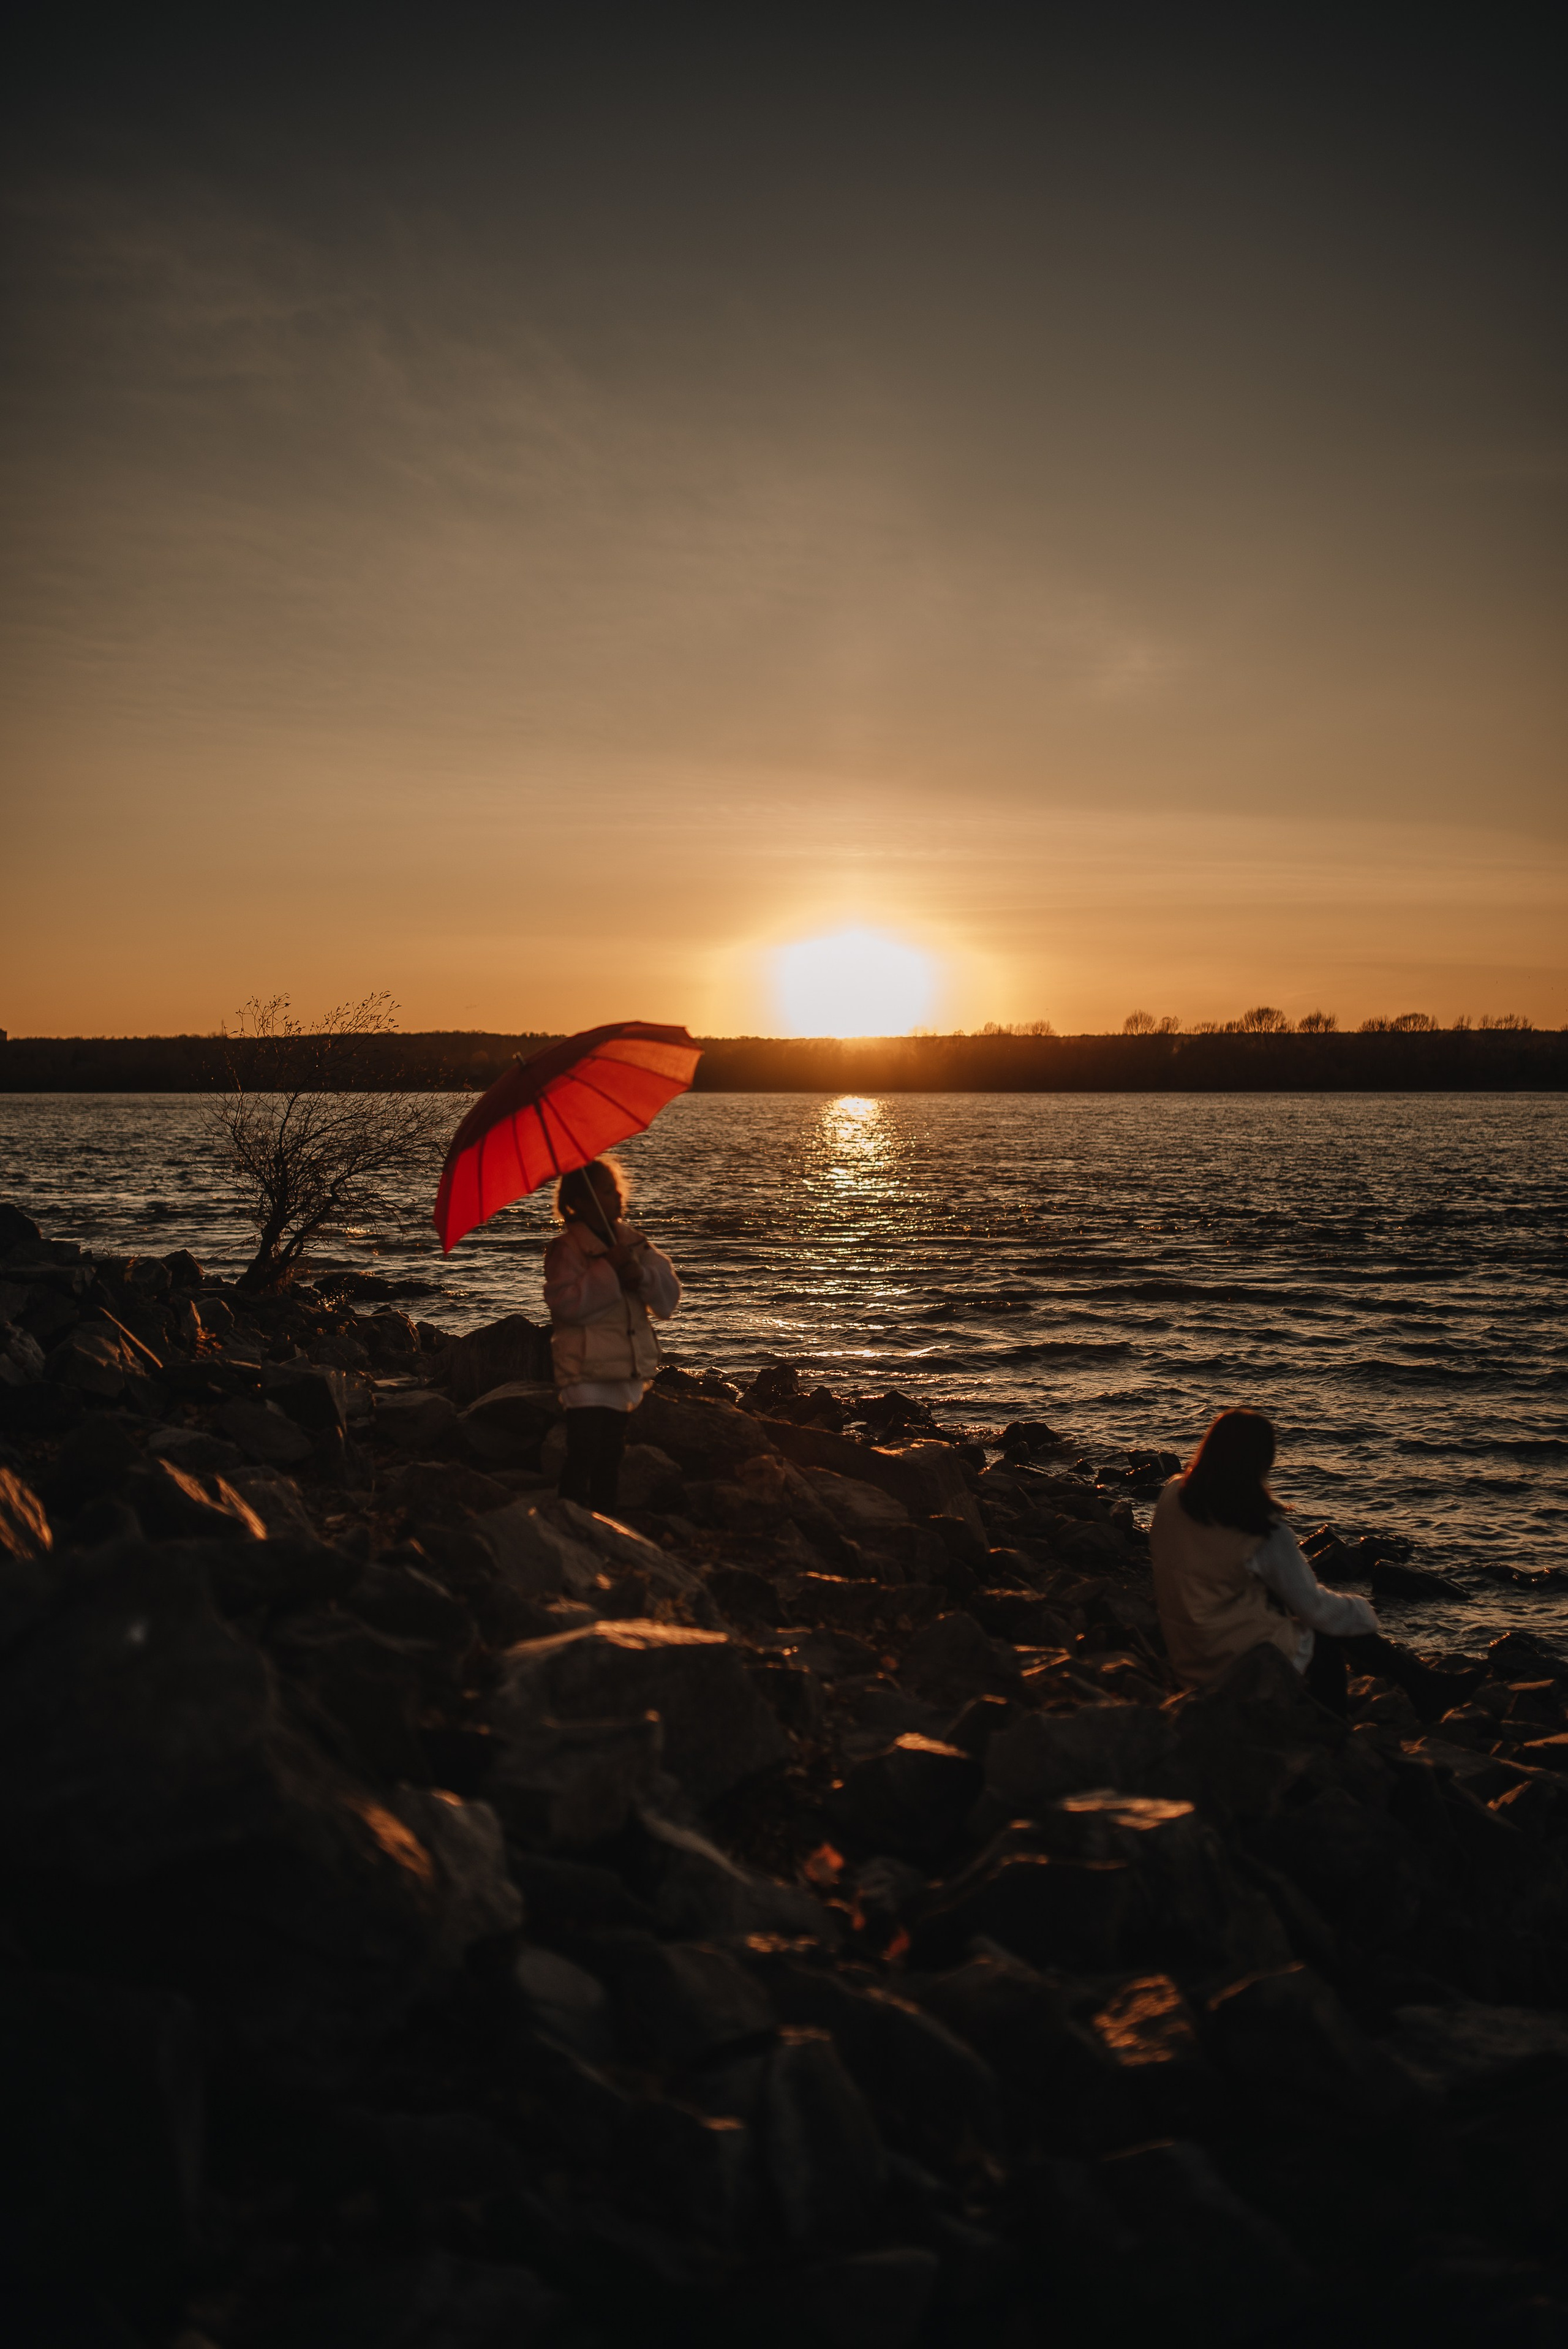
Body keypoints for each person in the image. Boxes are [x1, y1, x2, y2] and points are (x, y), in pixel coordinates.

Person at [1150, 1408, 1480, 1721]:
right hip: (1233, 1661)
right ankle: (1337, 1734)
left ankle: (1423, 1686)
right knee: (1324, 1637)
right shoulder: (1259, 1527)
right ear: (1262, 1462)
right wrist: (1364, 1611)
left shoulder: (1174, 1493)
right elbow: (1314, 1608)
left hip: (1188, 1651)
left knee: (1301, 1613)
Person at [542, 1155, 681, 1514]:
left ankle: (604, 1520)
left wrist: (641, 1276)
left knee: (611, 1453)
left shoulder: (633, 1243)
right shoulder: (567, 1249)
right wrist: (609, 1271)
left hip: (623, 1365)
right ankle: (569, 1517)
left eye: (616, 1189)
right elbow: (566, 1305)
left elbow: (668, 1298)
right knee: (584, 1449)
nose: (618, 1196)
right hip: (585, 1367)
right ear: (581, 1201)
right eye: (606, 1191)